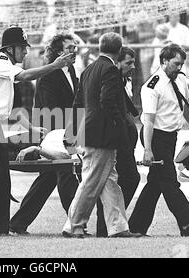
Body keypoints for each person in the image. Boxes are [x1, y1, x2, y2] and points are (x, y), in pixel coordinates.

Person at [0, 26, 75, 236]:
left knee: (2, 177)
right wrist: (55, 65)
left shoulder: (5, 68)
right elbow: (26, 76)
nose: (26, 52)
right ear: (11, 49)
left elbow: (11, 111)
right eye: (23, 48)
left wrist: (32, 128)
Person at [61, 32, 142, 238]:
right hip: (102, 136)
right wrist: (119, 126)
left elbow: (77, 103)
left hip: (89, 132)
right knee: (90, 182)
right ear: (119, 49)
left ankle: (118, 227)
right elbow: (108, 103)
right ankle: (73, 226)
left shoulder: (88, 70)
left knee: (110, 181)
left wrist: (73, 131)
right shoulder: (111, 70)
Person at [9, 34, 79, 235]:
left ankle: (17, 224)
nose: (74, 51)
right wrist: (66, 140)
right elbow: (49, 109)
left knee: (48, 179)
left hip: (65, 131)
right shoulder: (50, 74)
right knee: (65, 170)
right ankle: (75, 222)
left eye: (75, 47)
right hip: (53, 132)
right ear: (59, 52)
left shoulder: (71, 70)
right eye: (70, 48)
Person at [128, 44, 189, 237]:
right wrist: (148, 150)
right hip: (155, 136)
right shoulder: (151, 86)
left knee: (155, 183)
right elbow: (149, 122)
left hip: (171, 136)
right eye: (176, 63)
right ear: (164, 61)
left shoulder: (180, 79)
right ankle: (187, 220)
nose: (179, 67)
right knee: (168, 179)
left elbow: (183, 105)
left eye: (182, 64)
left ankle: (136, 226)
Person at [96, 46, 141, 237]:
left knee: (113, 184)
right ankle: (111, 225)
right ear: (118, 62)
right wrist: (121, 129)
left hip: (124, 140)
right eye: (128, 62)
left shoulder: (124, 81)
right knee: (128, 179)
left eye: (133, 62)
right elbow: (108, 105)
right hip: (117, 140)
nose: (133, 66)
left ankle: (108, 226)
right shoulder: (112, 78)